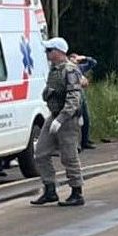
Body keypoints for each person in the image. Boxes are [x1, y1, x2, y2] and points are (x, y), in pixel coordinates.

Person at [32, 38, 86, 206]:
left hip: (68, 119)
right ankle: (49, 189)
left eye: (49, 50)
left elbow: (73, 98)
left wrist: (62, 119)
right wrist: (48, 93)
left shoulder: (70, 70)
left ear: (58, 51)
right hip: (54, 115)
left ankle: (77, 191)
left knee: (69, 156)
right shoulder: (54, 70)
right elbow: (47, 93)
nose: (47, 54)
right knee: (40, 152)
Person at [73, 53, 98, 151]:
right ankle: (76, 144)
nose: (75, 61)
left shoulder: (79, 68)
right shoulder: (67, 69)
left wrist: (84, 58)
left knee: (86, 119)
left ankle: (85, 141)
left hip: (81, 97)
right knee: (76, 122)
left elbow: (93, 63)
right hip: (73, 97)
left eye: (76, 60)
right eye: (73, 59)